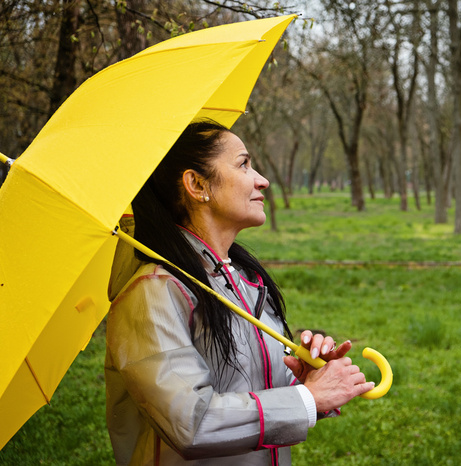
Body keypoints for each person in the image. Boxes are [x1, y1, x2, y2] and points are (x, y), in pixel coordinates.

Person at [104, 120, 374, 465]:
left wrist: (303, 380)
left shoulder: (241, 280)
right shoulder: (153, 294)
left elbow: (245, 388)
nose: (262, 180)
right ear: (197, 184)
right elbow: (192, 422)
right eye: (244, 164)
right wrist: (306, 399)